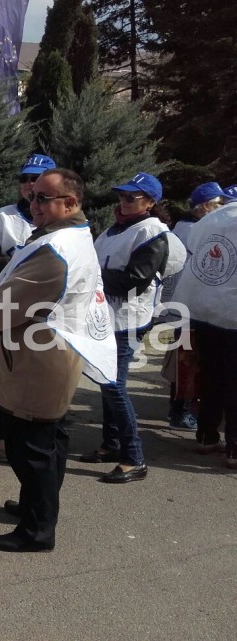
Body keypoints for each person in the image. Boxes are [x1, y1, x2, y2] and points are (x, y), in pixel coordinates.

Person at [0, 168, 116, 552]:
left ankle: (37, 529)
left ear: (70, 203)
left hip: (40, 357)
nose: (32, 205)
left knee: (30, 447)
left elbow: (7, 305)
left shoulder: (56, 249)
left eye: (42, 199)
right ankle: (37, 507)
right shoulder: (69, 234)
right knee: (49, 440)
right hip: (51, 350)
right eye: (31, 197)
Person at [82, 173, 181, 484]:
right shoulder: (114, 229)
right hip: (105, 317)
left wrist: (92, 278)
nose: (123, 202)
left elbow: (134, 281)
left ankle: (133, 457)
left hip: (126, 321)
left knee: (114, 385)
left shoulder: (152, 231)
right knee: (105, 380)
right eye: (122, 196)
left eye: (131, 198)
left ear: (150, 202)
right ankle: (111, 444)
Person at [0, 153, 56, 462]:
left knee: (34, 373)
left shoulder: (61, 224)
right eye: (24, 178)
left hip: (44, 312)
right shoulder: (1, 218)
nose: (29, 184)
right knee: (0, 371)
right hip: (5, 305)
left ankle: (31, 433)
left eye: (36, 178)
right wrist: (15, 264)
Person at [172, 200, 237, 468]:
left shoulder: (215, 217)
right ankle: (234, 448)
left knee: (212, 377)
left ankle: (206, 435)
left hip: (205, 309)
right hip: (232, 312)